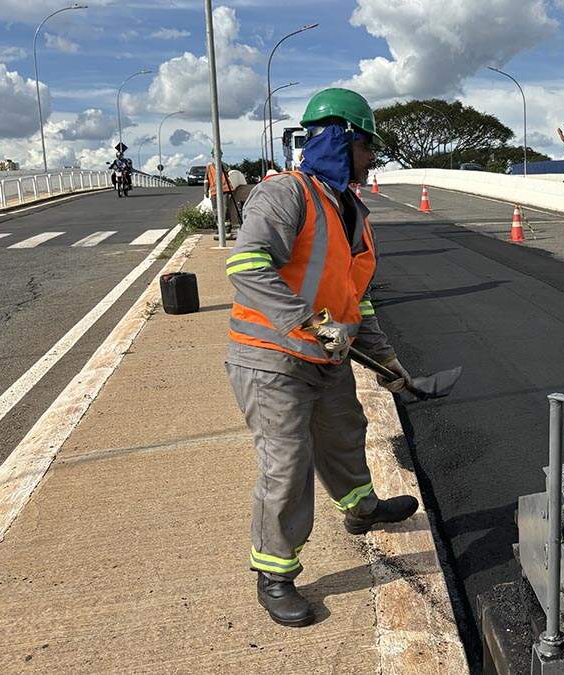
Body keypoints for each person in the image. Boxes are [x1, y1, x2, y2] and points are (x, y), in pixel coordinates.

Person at [224, 87, 420, 628]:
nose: (374, 158)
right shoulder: (286, 195)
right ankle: (276, 574)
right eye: (368, 147)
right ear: (343, 138)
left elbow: (358, 300)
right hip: (271, 357)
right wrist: (307, 322)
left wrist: (389, 364)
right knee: (287, 466)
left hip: (325, 356)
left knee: (343, 433)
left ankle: (361, 508)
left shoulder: (351, 211)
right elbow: (245, 266)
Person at [205, 157, 240, 226]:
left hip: (225, 189)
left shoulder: (224, 165)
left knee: (225, 207)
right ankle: (218, 226)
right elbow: (206, 180)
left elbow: (228, 171)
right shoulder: (209, 167)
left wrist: (221, 164)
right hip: (214, 191)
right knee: (215, 209)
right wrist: (205, 190)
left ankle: (227, 225)